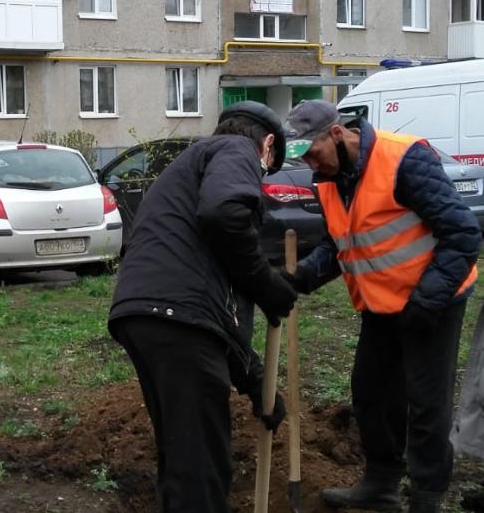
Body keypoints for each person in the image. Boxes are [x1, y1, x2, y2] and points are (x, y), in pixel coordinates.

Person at [281, 99, 480, 513]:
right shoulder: (330, 179)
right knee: (371, 394)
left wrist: (427, 300)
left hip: (433, 301)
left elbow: (462, 232)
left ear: (337, 134)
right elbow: (341, 242)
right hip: (380, 303)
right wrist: (303, 275)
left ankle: (426, 496)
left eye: (313, 154)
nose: (314, 167)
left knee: (426, 401)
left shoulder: (405, 159)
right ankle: (382, 483)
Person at [108, 101, 298, 511]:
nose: (261, 177)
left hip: (153, 315)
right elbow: (224, 213)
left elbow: (218, 307)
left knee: (183, 458)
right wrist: (267, 283)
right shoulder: (235, 151)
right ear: (266, 145)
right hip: (175, 317)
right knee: (199, 470)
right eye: (268, 167)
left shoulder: (196, 165)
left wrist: (255, 382)